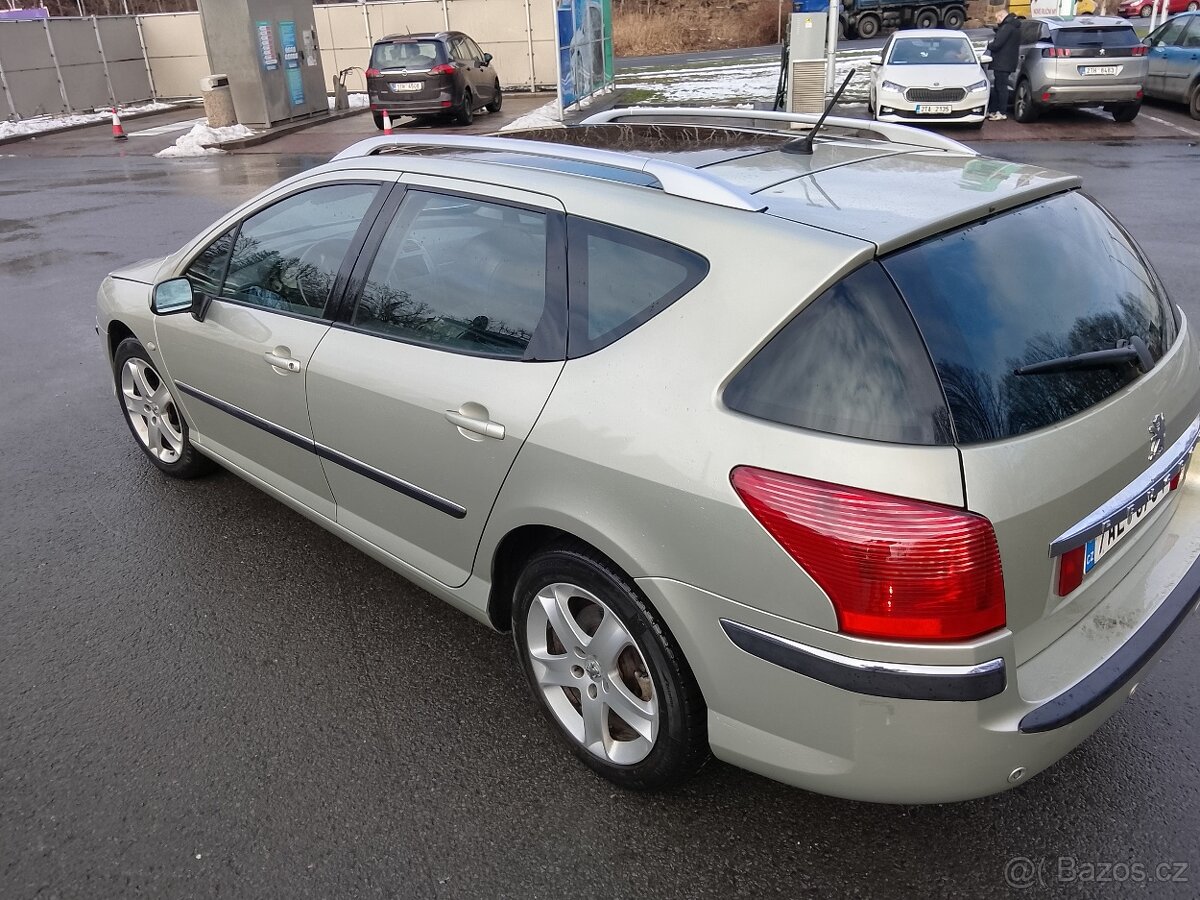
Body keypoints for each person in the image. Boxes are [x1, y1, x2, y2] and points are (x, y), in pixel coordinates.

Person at [986, 13, 1021, 121]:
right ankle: (994, 110)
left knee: (1001, 88)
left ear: (1002, 16)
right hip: (1008, 62)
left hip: (1002, 62)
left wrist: (987, 45)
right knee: (998, 86)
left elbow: (997, 44)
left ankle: (1001, 112)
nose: (997, 21)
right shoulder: (1014, 26)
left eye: (997, 18)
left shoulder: (1007, 27)